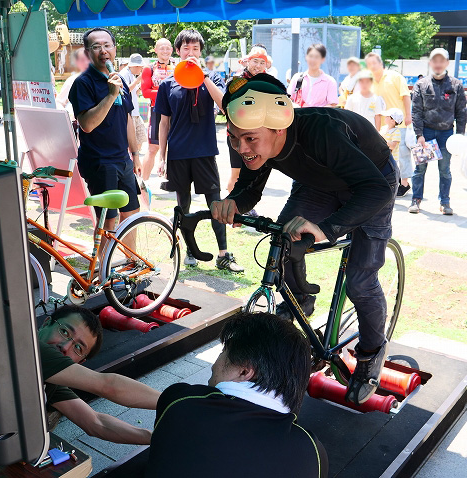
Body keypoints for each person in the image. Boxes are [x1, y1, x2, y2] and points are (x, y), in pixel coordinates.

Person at [215, 73, 398, 404]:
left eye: (250, 140)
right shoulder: (259, 135)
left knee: (360, 280)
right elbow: (249, 188)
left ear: (278, 129)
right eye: (234, 139)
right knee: (282, 241)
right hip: (319, 183)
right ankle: (302, 299)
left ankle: (371, 353)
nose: (242, 149)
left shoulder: (321, 132)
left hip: (373, 183)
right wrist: (233, 202)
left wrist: (327, 228)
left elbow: (376, 190)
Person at [144, 313, 327, 477]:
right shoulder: (312, 452)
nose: (213, 365)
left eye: (223, 352)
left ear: (245, 371)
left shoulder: (181, 400)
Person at [156, 29, 244, 273]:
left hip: (205, 152)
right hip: (178, 153)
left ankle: (224, 254)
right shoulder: (168, 83)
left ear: (201, 52)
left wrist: (203, 76)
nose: (191, 52)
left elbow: (224, 106)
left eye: (195, 49)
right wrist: (161, 157)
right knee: (183, 204)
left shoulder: (212, 77)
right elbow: (164, 123)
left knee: (216, 203)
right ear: (178, 51)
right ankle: (188, 251)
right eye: (186, 48)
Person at [38, 305, 160, 444]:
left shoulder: (53, 378)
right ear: (46, 323)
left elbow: (97, 423)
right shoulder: (35, 350)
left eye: (77, 348)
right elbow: (107, 385)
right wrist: (174, 399)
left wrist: (157, 437)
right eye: (64, 332)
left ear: (81, 361)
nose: (65, 347)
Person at [68, 27, 141, 247]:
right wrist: (111, 95)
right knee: (107, 221)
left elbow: (127, 118)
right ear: (87, 52)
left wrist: (135, 154)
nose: (103, 51)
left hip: (123, 160)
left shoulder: (120, 80)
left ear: (114, 49)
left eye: (107, 45)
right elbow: (87, 125)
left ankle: (132, 264)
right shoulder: (83, 83)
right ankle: (103, 273)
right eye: (96, 46)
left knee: (132, 214)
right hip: (100, 162)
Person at [409, 48, 467, 216]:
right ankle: (416, 200)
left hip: (446, 134)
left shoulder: (456, 85)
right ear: (430, 63)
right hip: (425, 133)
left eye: (442, 61)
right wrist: (419, 134)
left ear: (447, 63)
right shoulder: (421, 84)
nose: (438, 64)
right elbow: (416, 111)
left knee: (445, 170)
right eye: (435, 61)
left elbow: (461, 111)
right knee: (419, 169)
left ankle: (445, 202)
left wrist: (460, 137)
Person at [226, 46, 270, 211]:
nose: (258, 66)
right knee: (237, 173)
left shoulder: (268, 82)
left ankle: (245, 207)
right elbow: (228, 107)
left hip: (259, 136)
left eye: (261, 62)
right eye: (255, 61)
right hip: (238, 135)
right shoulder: (236, 80)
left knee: (254, 173)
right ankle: (232, 207)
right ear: (247, 61)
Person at [365, 52, 413, 196]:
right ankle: (390, 181)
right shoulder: (370, 81)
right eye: (369, 64)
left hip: (400, 123)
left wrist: (409, 115)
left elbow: (406, 96)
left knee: (403, 154)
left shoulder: (395, 77)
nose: (372, 66)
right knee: (386, 156)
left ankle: (404, 183)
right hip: (383, 126)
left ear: (381, 63)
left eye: (374, 63)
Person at [141, 38, 175, 181]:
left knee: (174, 146)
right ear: (155, 50)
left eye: (168, 47)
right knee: (153, 148)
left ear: (172, 50)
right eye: (162, 47)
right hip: (157, 110)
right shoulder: (149, 68)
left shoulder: (177, 67)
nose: (165, 51)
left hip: (175, 111)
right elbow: (145, 91)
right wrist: (166, 92)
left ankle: (171, 180)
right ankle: (142, 183)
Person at [288, 44, 338, 108]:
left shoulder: (330, 81)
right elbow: (288, 99)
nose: (313, 60)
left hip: (319, 117)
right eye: (311, 56)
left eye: (316, 57)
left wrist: (314, 112)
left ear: (322, 59)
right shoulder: (297, 78)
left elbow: (332, 104)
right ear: (306, 57)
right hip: (299, 116)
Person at [56, 48, 90, 117]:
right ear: (77, 62)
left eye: (89, 59)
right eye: (82, 60)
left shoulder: (102, 79)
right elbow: (59, 102)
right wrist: (68, 115)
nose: (86, 63)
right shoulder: (72, 80)